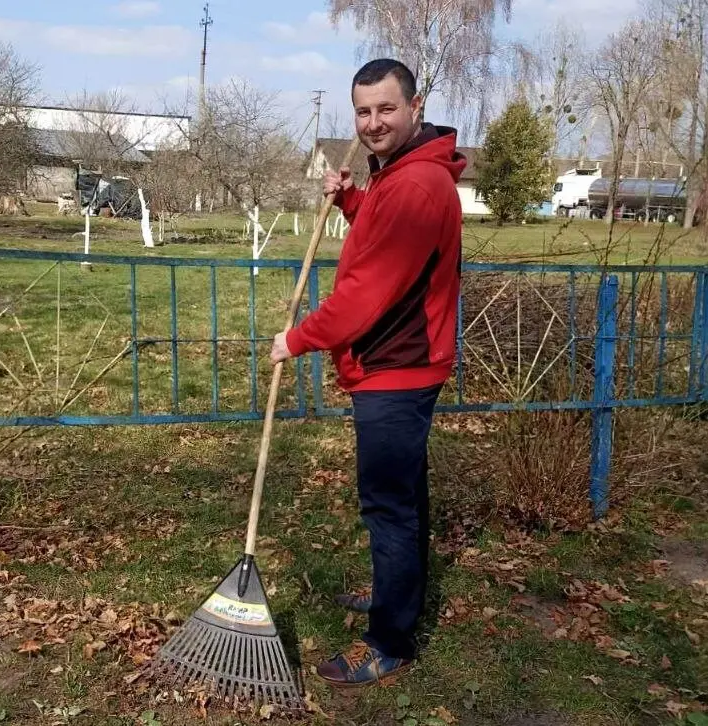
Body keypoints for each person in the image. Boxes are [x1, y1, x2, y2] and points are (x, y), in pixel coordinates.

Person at [270, 58, 466, 688]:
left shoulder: (413, 185)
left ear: (414, 106)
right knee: (403, 495)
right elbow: (385, 239)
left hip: (397, 367)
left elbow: (366, 295)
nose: (374, 123)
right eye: (363, 111)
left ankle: (390, 641)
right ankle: (395, 589)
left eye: (386, 109)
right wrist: (353, 199)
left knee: (388, 505)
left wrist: (296, 339)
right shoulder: (399, 175)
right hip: (400, 361)